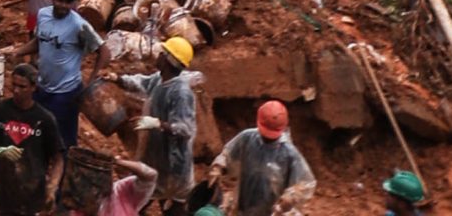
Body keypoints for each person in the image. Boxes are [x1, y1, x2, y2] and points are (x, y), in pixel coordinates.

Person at [126, 37, 199, 209]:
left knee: (171, 207)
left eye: (162, 53)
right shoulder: (159, 80)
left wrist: (158, 123)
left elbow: (185, 129)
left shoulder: (181, 93)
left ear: (168, 60)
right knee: (138, 203)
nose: (158, 55)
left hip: (173, 167)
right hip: (156, 161)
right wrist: (117, 78)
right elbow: (141, 82)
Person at [0, 62, 65, 216]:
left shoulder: (45, 119)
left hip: (31, 196)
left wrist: (52, 187)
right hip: (1, 194)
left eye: (22, 87)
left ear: (33, 87)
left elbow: (58, 158)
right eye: (13, 85)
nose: (16, 90)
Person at [34, 0, 102, 152]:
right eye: (60, 0)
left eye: (68, 1)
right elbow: (39, 40)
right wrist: (17, 52)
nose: (64, 5)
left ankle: (63, 168)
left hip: (66, 93)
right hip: (43, 88)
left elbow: (104, 51)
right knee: (38, 135)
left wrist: (91, 81)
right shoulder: (43, 15)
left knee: (64, 141)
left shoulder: (78, 25)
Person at [209, 101, 315, 213]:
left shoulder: (289, 153)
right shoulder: (247, 138)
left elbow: (306, 183)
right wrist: (218, 166)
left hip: (272, 210)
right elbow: (228, 154)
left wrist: (291, 197)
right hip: (244, 205)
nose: (268, 139)